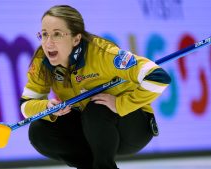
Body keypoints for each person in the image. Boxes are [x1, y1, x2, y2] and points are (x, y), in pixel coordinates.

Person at [20, 5, 171, 169]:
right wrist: (47, 107)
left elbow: (158, 77)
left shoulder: (103, 54)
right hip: (89, 128)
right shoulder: (42, 61)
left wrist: (120, 104)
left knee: (97, 106)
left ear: (76, 39)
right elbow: (25, 105)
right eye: (44, 34)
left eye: (57, 34)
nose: (48, 43)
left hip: (131, 129)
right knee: (39, 130)